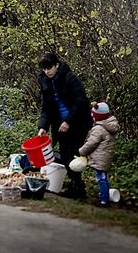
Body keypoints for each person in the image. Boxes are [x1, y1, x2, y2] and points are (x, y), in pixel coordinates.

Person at [37, 52, 92, 198]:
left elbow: (81, 102)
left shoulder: (69, 78)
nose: (47, 72)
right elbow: (47, 108)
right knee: (65, 154)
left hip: (77, 122)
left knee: (73, 154)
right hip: (59, 124)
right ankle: (76, 186)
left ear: (56, 65)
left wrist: (68, 121)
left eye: (49, 68)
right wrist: (42, 126)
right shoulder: (45, 81)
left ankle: (78, 188)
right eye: (44, 69)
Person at [78, 101, 120, 207]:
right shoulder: (108, 126)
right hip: (105, 157)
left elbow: (91, 143)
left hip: (100, 158)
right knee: (103, 178)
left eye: (93, 115)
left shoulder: (99, 129)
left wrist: (81, 151)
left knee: (101, 179)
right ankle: (104, 198)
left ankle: (104, 200)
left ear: (98, 116)